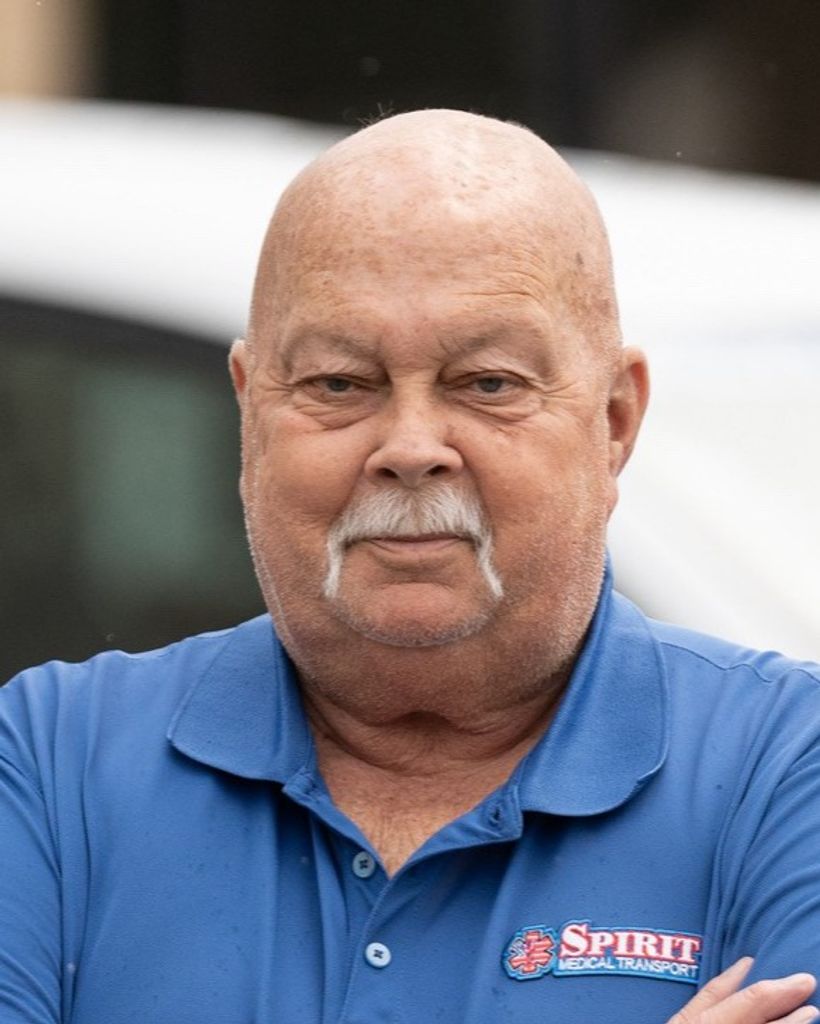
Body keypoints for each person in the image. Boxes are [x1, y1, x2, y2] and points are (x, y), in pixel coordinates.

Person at [1, 110, 819, 1024]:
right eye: (340, 384)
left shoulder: (791, 768)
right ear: (250, 413)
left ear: (614, 422)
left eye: (489, 383)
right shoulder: (49, 762)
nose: (412, 448)